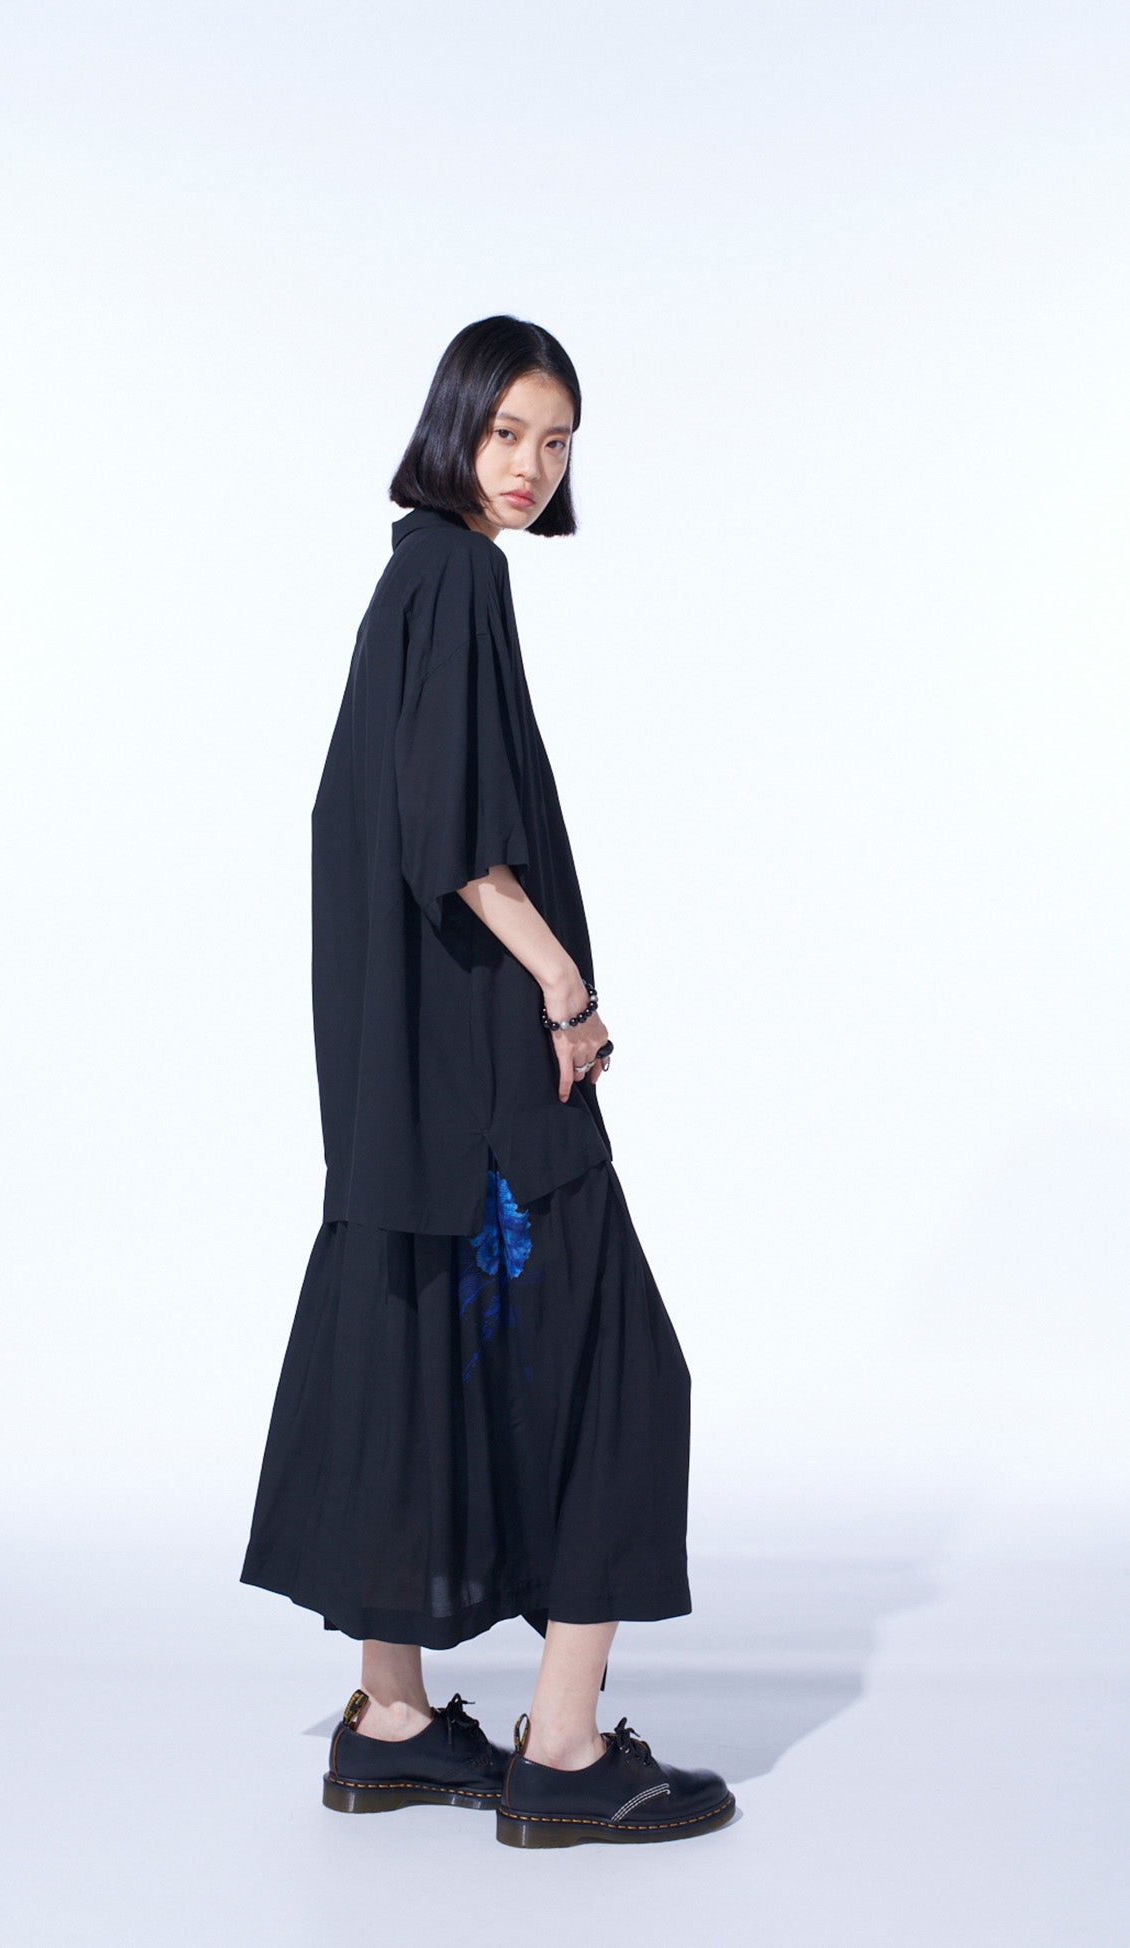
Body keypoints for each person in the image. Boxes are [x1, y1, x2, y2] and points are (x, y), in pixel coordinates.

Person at [240, 315, 735, 1848]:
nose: (531, 466)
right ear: (454, 424)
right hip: (483, 1066)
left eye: (558, 440)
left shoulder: (411, 576)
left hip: (403, 1084)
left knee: (411, 1345)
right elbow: (450, 836)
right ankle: (565, 1752)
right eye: (509, 431)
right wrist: (565, 989)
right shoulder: (456, 576)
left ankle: (391, 1723)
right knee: (623, 1369)